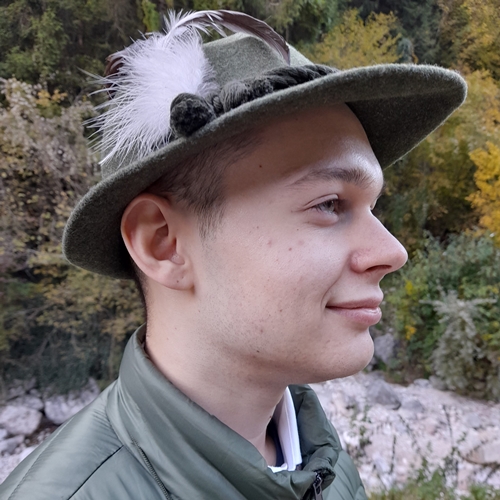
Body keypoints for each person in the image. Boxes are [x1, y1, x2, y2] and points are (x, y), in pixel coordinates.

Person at [0, 9, 466, 500]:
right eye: (329, 204)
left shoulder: (321, 460)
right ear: (164, 242)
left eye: (373, 207)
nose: (392, 251)